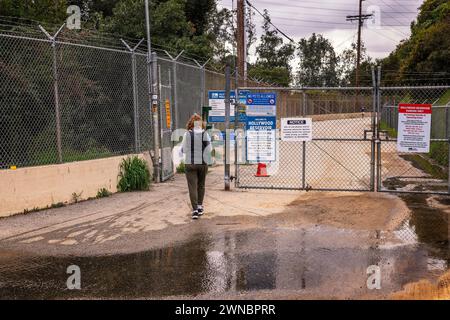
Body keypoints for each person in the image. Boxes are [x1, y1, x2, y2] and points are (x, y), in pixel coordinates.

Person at [181, 114, 212, 220]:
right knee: (201, 185)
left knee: (192, 187)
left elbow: (184, 150)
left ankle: (194, 211)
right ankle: (200, 207)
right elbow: (209, 149)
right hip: (203, 163)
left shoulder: (187, 134)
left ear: (191, 123)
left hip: (190, 163)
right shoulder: (205, 134)